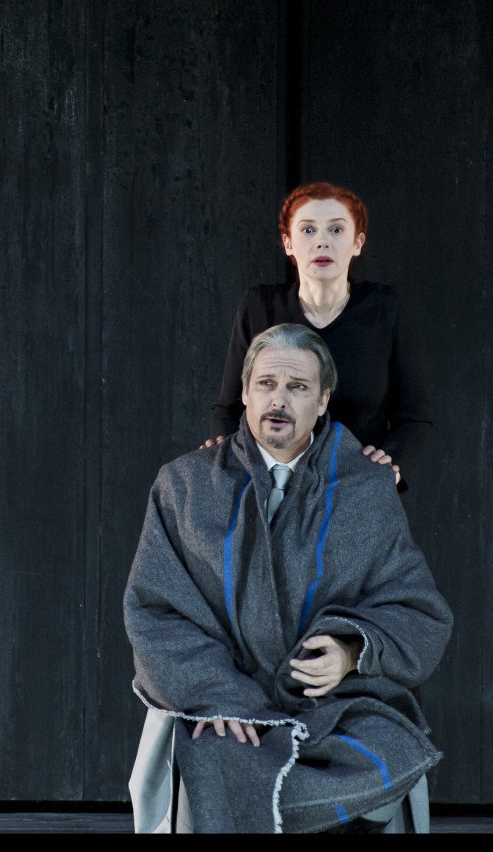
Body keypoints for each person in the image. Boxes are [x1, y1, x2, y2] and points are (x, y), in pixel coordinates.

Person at [126, 324, 452, 833]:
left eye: (298, 387)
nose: (278, 400)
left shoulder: (366, 489)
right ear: (244, 392)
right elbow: (155, 609)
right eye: (266, 384)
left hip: (336, 708)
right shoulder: (184, 485)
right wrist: (216, 693)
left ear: (323, 401)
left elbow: (418, 612)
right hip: (226, 712)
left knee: (385, 752)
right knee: (217, 761)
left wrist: (350, 652)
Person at [205, 183, 431, 491]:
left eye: (336, 230)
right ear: (288, 243)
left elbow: (414, 417)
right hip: (270, 486)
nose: (322, 242)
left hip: (354, 489)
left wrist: (391, 465)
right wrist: (228, 460)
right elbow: (229, 408)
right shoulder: (259, 306)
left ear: (357, 243)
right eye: (308, 230)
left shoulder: (387, 309)